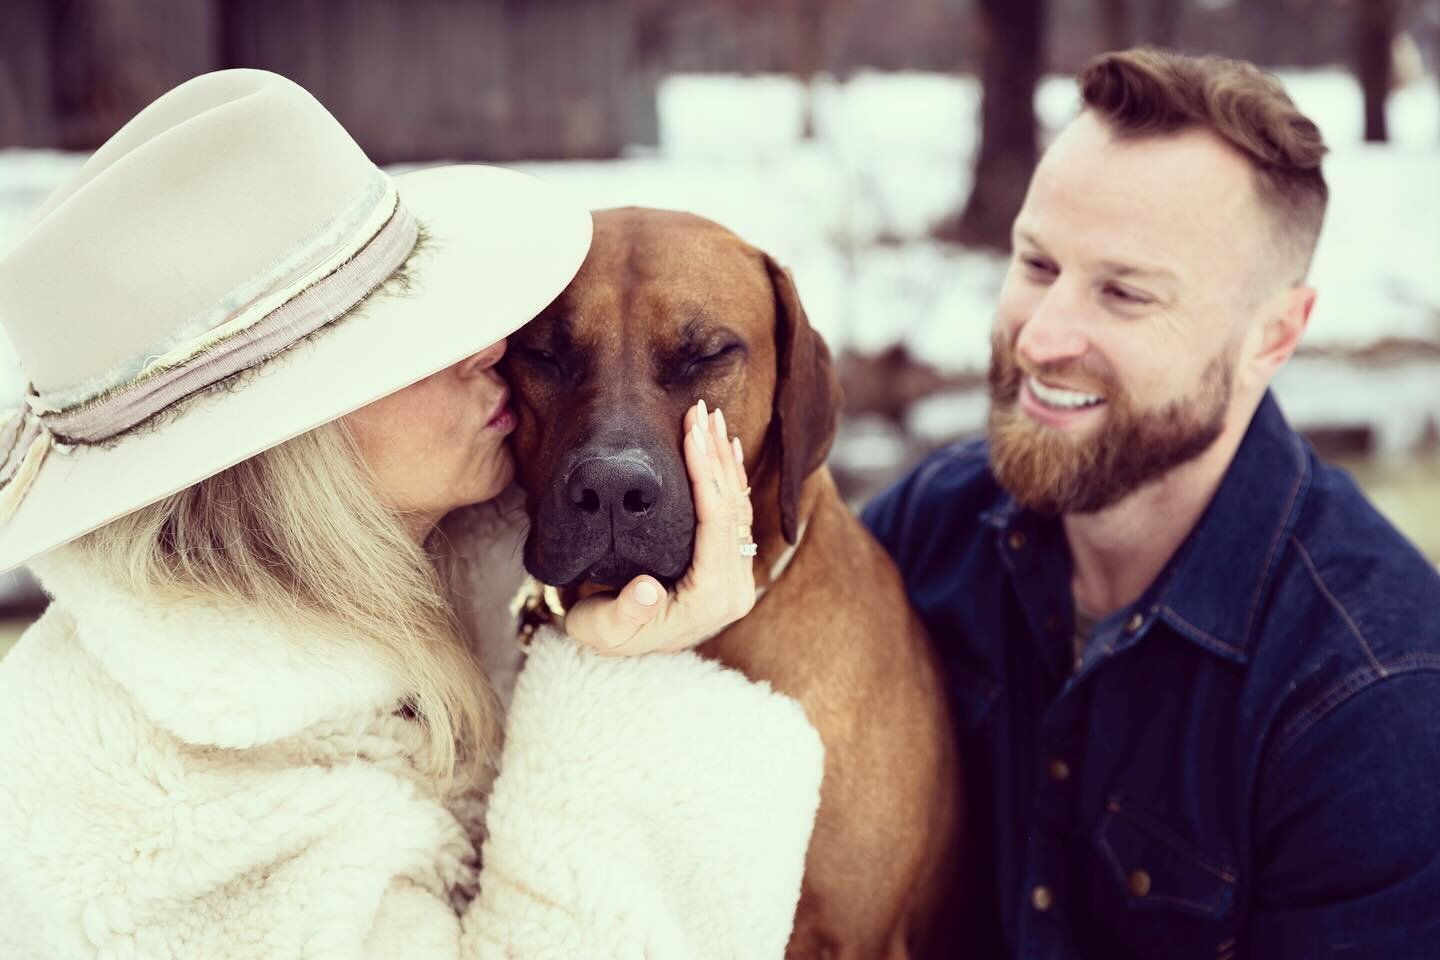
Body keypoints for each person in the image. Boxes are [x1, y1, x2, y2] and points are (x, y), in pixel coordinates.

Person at [0, 70, 824, 958]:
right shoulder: (153, 803)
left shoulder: (412, 606)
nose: (492, 343)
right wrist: (631, 675)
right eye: (407, 333)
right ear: (284, 437)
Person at [861, 47, 1440, 958]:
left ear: (1274, 335)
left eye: (1125, 294)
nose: (1044, 337)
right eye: (1037, 262)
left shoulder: (1375, 703)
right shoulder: (932, 525)